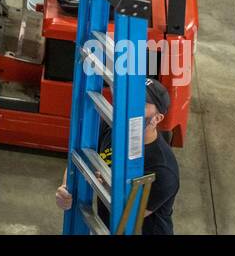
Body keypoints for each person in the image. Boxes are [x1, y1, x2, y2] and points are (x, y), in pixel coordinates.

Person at [55, 78, 180, 234]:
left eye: (140, 103)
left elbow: (130, 217)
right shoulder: (111, 126)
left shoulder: (163, 169)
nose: (130, 107)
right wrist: (67, 189)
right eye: (130, 97)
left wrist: (108, 185)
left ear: (157, 118)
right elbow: (80, 157)